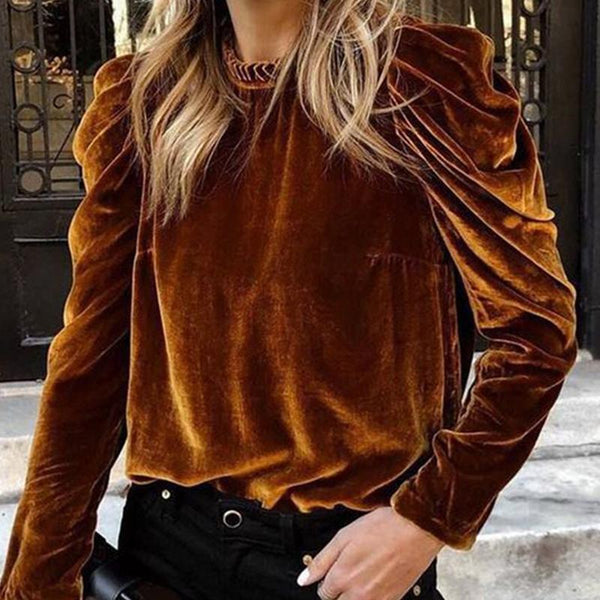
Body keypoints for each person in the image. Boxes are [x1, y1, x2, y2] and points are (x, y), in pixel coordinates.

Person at [0, 1, 578, 600]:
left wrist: (428, 517)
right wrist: (37, 578)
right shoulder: (142, 105)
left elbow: (535, 332)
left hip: (338, 561)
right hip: (168, 550)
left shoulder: (424, 83)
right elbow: (90, 367)